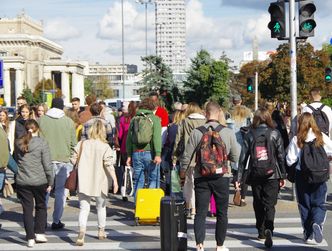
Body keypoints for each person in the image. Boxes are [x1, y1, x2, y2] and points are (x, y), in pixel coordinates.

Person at [180, 101, 240, 251]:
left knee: (200, 212)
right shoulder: (227, 132)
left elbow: (187, 156)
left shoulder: (197, 132)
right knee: (221, 212)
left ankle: (200, 244)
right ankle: (219, 245)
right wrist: (225, 160)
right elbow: (236, 155)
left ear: (205, 114)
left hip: (201, 175)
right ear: (219, 113)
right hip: (222, 177)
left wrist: (183, 174)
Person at [236, 108, 286, 248]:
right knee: (270, 204)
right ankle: (269, 227)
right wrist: (283, 175)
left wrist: (239, 178)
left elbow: (243, 158)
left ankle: (261, 230)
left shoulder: (250, 134)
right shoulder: (275, 133)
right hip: (272, 174)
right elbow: (281, 156)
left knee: (258, 202)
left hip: (255, 173)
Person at [286, 112, 332, 245]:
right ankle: (317, 223)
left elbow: (290, 160)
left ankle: (308, 233)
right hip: (320, 174)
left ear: (300, 123)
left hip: (303, 175)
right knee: (319, 203)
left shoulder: (297, 139)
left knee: (304, 204)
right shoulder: (321, 136)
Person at [71, 120, 118, 246]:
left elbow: (73, 159)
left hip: (84, 179)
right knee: (101, 207)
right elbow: (108, 165)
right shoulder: (105, 146)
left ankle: (81, 232)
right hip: (100, 180)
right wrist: (115, 180)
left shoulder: (82, 144)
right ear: (103, 132)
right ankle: (101, 231)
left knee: (84, 208)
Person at [38, 97, 77, 230]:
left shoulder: (41, 120)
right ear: (62, 108)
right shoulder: (68, 122)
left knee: (45, 191)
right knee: (60, 192)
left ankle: (42, 220)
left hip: (45, 160)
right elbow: (73, 144)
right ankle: (56, 220)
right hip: (63, 160)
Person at [15, 120, 54, 247]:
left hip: (23, 180)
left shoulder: (19, 142)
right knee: (41, 206)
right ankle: (39, 233)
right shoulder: (42, 143)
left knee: (27, 209)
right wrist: (50, 180)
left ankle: (30, 238)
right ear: (37, 129)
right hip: (39, 180)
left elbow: (16, 160)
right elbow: (47, 164)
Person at [173, 102, 206, 219]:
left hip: (188, 157)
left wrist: (175, 156)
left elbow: (178, 140)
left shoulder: (185, 122)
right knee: (199, 184)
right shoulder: (206, 122)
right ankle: (196, 209)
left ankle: (189, 207)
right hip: (203, 158)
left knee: (188, 184)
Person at [126, 97, 162, 199]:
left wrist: (129, 155)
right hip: (150, 153)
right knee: (154, 179)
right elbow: (156, 138)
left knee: (138, 181)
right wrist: (158, 154)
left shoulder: (134, 119)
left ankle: (138, 208)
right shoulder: (155, 119)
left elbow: (129, 139)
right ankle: (151, 207)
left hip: (136, 153)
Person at [227, 100, 252, 207]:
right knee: (245, 174)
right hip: (245, 150)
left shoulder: (230, 122)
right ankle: (242, 197)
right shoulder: (247, 122)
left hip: (234, 150)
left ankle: (237, 188)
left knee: (236, 172)